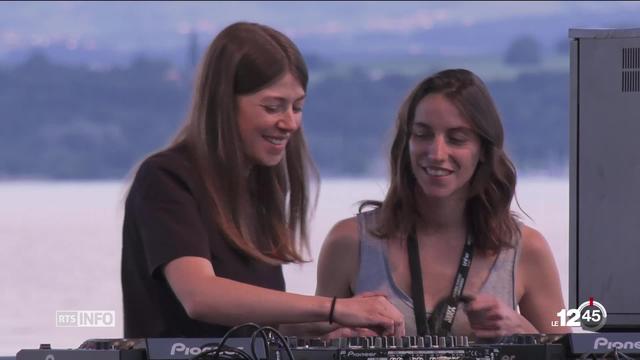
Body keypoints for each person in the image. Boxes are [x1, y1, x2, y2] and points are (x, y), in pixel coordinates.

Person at [121, 22, 404, 339]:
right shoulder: (165, 179)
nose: (290, 123)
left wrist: (327, 332)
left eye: (297, 107)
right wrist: (333, 308)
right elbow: (200, 297)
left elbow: (252, 325)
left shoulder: (259, 188)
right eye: (273, 107)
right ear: (223, 104)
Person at [316, 69, 570, 338]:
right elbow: (303, 340)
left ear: (483, 150)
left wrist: (524, 333)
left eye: (456, 139)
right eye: (423, 135)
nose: (437, 153)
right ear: (406, 144)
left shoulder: (526, 249)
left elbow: (569, 351)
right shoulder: (349, 242)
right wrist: (329, 344)